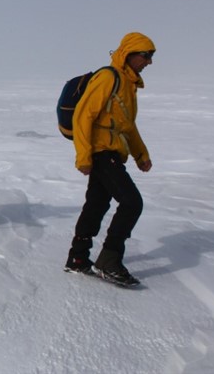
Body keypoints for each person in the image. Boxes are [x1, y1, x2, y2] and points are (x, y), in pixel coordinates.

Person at [64, 32, 156, 286]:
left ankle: (78, 258)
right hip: (101, 152)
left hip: (114, 151)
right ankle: (109, 260)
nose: (148, 62)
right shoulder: (108, 77)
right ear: (129, 53)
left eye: (151, 57)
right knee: (131, 202)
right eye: (145, 55)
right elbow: (83, 116)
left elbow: (127, 126)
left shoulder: (127, 85)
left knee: (96, 205)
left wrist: (141, 155)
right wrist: (83, 155)